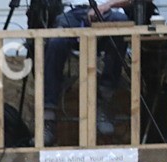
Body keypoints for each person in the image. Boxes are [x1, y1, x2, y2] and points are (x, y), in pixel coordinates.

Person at [34, 0, 135, 146]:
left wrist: (107, 5)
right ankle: (48, 117)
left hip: (109, 13)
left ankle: (104, 99)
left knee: (121, 26)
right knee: (55, 42)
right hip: (72, 13)